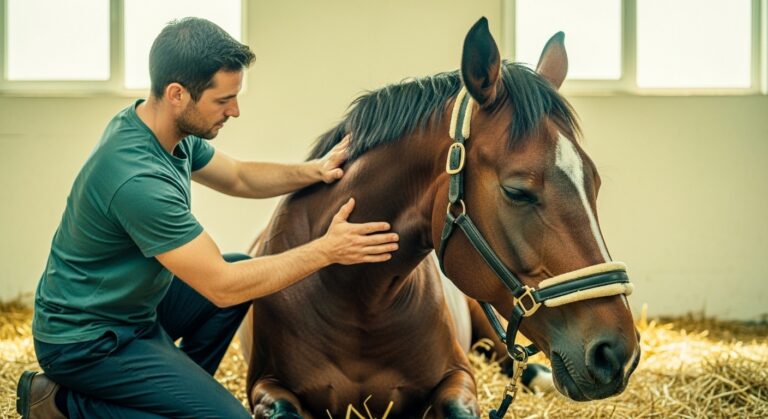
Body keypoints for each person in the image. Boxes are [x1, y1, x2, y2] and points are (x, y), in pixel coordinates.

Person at [16, 17, 399, 418]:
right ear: (177, 94)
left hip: (135, 311)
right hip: (88, 341)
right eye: (223, 100)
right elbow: (222, 287)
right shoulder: (136, 178)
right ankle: (63, 405)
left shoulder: (163, 130)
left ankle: (175, 399)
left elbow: (238, 176)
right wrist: (327, 250)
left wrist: (314, 170)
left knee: (242, 267)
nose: (234, 111)